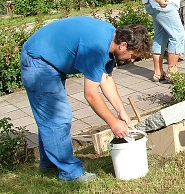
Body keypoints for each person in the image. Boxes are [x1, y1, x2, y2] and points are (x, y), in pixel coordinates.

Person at [20, 17, 151, 182]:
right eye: (132, 56)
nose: (131, 60)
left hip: (48, 59)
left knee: (50, 117)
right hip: (38, 61)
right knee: (58, 116)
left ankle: (49, 165)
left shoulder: (111, 38)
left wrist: (122, 112)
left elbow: (106, 79)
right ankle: (70, 173)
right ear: (123, 45)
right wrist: (113, 123)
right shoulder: (97, 48)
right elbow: (90, 94)